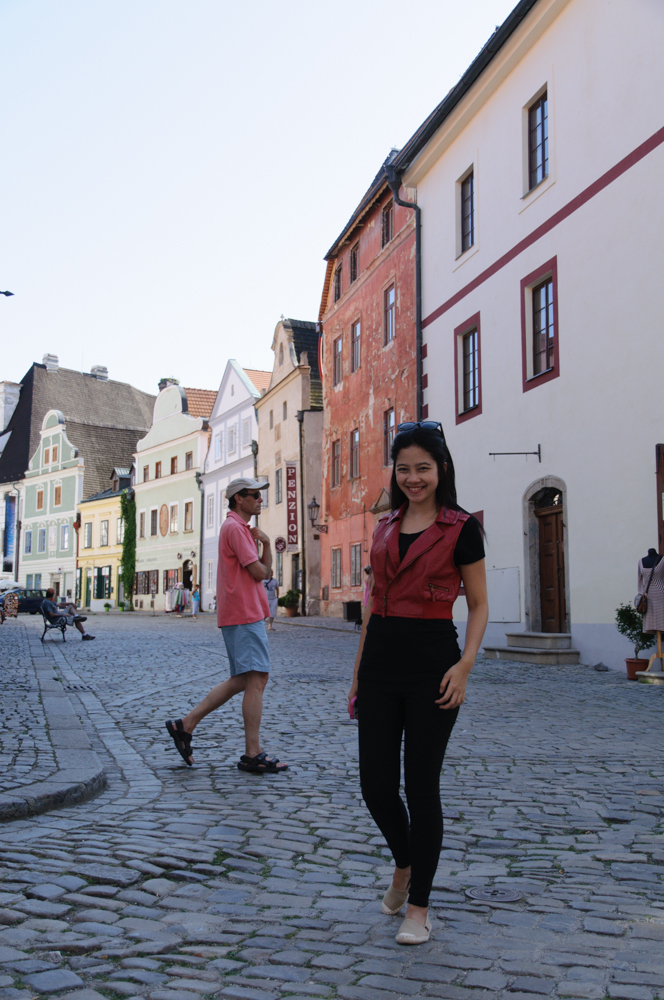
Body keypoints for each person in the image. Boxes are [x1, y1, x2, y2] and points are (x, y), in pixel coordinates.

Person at [348, 421, 488, 945]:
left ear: (441, 469)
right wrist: (357, 675)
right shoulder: (385, 525)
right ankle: (404, 865)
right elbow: (372, 608)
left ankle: (420, 907)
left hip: (434, 666)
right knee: (375, 786)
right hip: (380, 664)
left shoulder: (462, 528)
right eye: (404, 469)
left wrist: (465, 665)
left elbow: (479, 605)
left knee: (421, 787)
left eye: (423, 468)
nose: (413, 478)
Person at [165, 478, 288, 774]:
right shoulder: (235, 528)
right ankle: (252, 753)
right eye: (255, 495)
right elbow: (260, 573)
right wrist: (263, 552)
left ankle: (186, 724)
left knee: (245, 679)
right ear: (238, 499)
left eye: (260, 495)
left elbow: (266, 570)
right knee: (256, 679)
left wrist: (266, 543)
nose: (260, 500)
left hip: (244, 612)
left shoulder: (240, 529)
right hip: (244, 612)